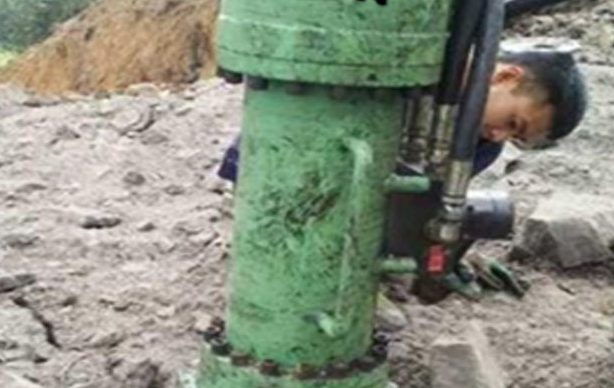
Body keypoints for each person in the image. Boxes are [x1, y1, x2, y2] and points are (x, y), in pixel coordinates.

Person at [216, 47, 588, 297]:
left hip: (360, 199)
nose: (500, 135)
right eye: (512, 122)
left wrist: (448, 252)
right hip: (284, 170)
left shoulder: (482, 145)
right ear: (506, 77)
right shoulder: (421, 61)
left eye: (515, 137)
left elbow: (423, 202)